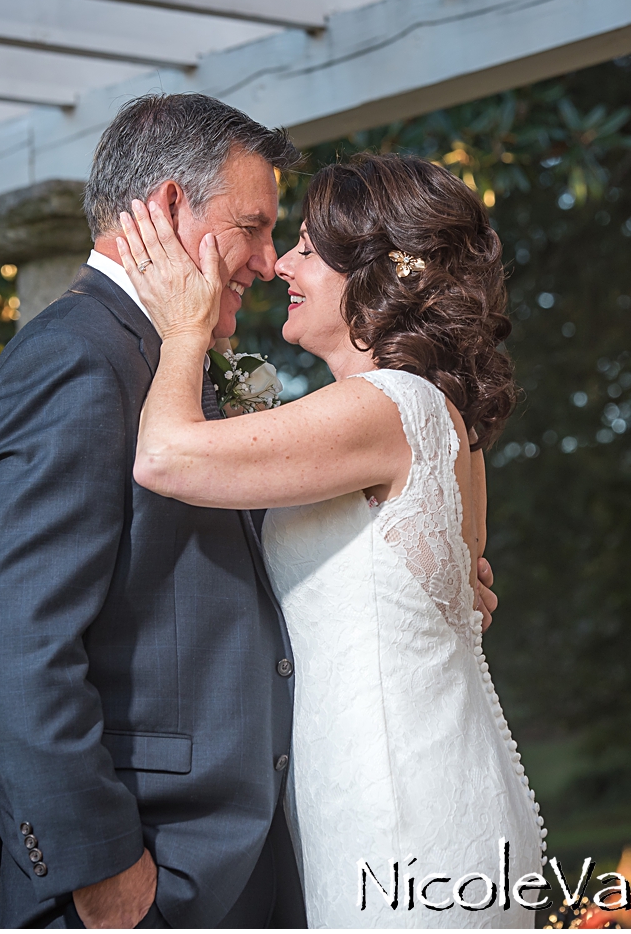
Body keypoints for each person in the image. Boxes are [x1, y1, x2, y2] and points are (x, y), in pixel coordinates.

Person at [0, 94, 499, 929]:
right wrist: (100, 867)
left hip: (258, 856)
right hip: (150, 876)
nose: (268, 257)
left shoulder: (194, 363)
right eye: (254, 226)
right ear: (172, 206)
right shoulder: (76, 358)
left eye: (293, 241)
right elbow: (14, 639)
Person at [114, 152, 546, 927]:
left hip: (399, 815)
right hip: (419, 791)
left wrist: (186, 326)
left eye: (309, 249)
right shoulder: (432, 412)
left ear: (379, 277)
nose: (281, 262)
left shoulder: (382, 408)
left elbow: (165, 457)